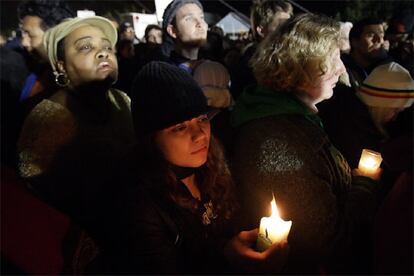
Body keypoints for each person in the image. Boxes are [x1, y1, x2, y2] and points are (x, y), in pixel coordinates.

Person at [105, 61, 289, 274]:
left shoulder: (214, 165)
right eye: (181, 127)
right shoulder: (140, 203)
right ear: (151, 138)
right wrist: (225, 256)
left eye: (202, 119)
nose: (200, 134)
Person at [231, 13, 378, 274]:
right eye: (331, 59)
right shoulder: (274, 142)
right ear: (298, 66)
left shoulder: (294, 119)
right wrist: (364, 186)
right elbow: (326, 242)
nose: (341, 69)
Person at [17, 16, 135, 239]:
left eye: (107, 46)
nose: (103, 53)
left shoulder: (123, 101)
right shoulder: (47, 120)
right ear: (61, 65)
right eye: (86, 47)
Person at [319, 62, 414, 168]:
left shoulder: (363, 118)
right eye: (395, 110)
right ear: (381, 104)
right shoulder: (352, 128)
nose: (395, 117)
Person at [231, 0, 293, 100]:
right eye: (281, 25)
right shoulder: (249, 65)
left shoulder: (287, 58)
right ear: (261, 30)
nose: (288, 31)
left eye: (289, 25)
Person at [342, 17, 391, 90]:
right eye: (371, 36)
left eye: (381, 35)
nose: (380, 40)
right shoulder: (342, 72)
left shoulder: (387, 68)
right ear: (355, 42)